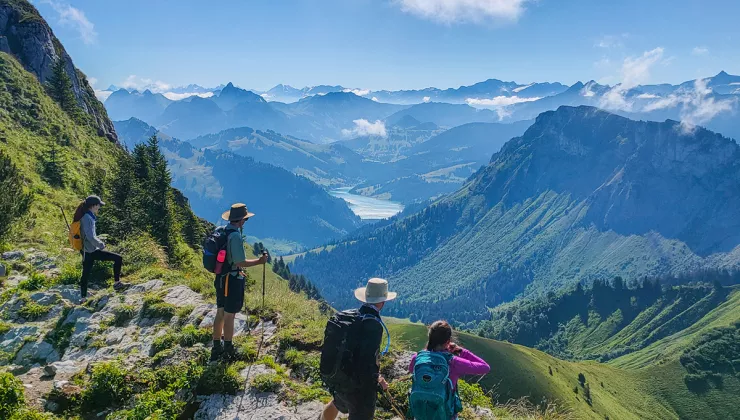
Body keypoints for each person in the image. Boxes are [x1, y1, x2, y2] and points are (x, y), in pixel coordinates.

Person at [320, 278, 395, 420]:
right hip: (358, 386)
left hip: (339, 374)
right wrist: (377, 380)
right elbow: (367, 361)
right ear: (382, 302)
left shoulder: (347, 316)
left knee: (337, 402)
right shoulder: (373, 325)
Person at [210, 203, 268, 362]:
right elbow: (240, 261)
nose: (245, 222)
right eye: (245, 220)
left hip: (220, 278)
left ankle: (216, 348)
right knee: (229, 315)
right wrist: (259, 261)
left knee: (220, 312)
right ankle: (228, 349)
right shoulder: (235, 236)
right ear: (241, 220)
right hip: (231, 281)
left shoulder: (223, 231)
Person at [408, 320, 491, 419]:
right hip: (445, 415)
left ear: (429, 337)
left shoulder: (417, 357)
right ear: (448, 341)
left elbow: (411, 369)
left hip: (421, 413)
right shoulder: (453, 362)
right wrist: (461, 351)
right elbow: (485, 367)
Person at [75, 195, 128, 304]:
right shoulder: (87, 218)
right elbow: (90, 236)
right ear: (93, 206)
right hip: (91, 250)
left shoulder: (88, 216)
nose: (99, 207)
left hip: (88, 251)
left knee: (86, 273)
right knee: (118, 258)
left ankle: (83, 298)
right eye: (98, 205)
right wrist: (101, 244)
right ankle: (117, 283)